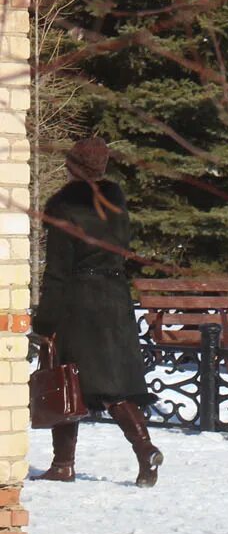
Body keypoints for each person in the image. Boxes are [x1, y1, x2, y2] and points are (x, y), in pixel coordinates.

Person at [31, 139, 162, 486]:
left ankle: (65, 464)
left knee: (68, 375)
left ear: (73, 166)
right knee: (108, 381)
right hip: (115, 296)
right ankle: (142, 449)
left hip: (80, 300)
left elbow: (57, 271)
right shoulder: (115, 201)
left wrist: (45, 320)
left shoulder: (63, 207)